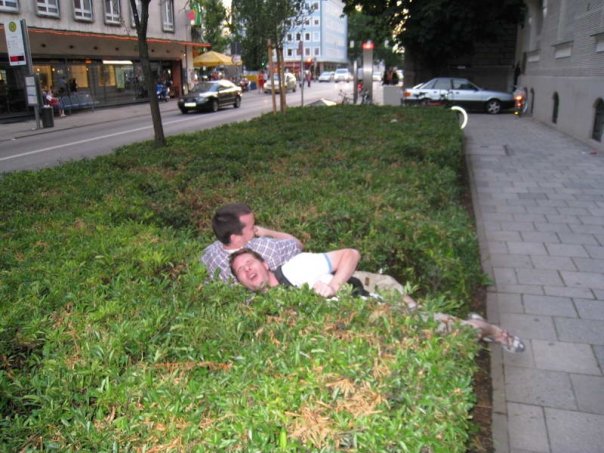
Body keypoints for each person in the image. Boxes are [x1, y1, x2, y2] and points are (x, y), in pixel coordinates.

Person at [229, 248, 525, 353]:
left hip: (377, 314)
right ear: (240, 282)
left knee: (449, 332)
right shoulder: (261, 309)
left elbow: (351, 254)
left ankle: (489, 330)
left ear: (264, 264)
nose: (247, 271)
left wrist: (333, 285)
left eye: (249, 264)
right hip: (354, 342)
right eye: (241, 272)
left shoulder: (296, 267)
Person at [201, 203, 303, 282]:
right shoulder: (266, 248)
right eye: (252, 227)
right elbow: (297, 244)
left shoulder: (208, 253)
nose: (255, 229)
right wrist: (266, 232)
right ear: (235, 238)